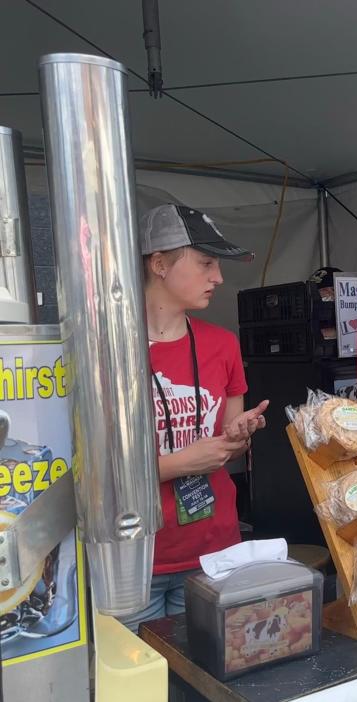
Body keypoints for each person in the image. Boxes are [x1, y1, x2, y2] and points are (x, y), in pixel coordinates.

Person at [121, 204, 269, 630]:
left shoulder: (222, 344)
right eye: (205, 263)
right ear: (160, 263)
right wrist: (178, 464)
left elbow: (229, 441)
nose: (218, 277)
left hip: (214, 548)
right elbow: (95, 473)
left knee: (209, 685)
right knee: (144, 689)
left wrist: (240, 435)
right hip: (137, 559)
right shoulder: (112, 351)